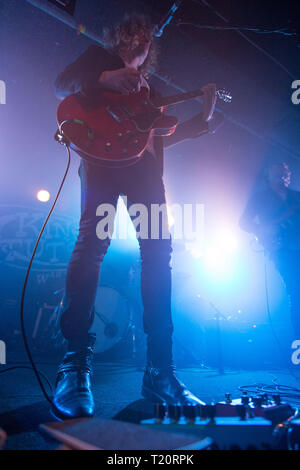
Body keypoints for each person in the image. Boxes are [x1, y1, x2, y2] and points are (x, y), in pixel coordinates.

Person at [53, 13, 217, 419]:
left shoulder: (152, 91)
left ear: (149, 49)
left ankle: (160, 372)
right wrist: (104, 79)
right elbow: (62, 85)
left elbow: (164, 134)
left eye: (142, 40)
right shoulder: (95, 60)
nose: (135, 42)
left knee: (159, 256)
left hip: (144, 172)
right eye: (128, 34)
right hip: (103, 169)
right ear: (116, 37)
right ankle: (74, 365)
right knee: (91, 249)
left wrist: (205, 116)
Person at [239, 162, 300, 341]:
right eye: (276, 175)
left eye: (283, 175)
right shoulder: (260, 198)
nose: (280, 179)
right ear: (268, 177)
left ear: (288, 178)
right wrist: (263, 230)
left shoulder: (296, 197)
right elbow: (243, 223)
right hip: (280, 249)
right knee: (295, 293)